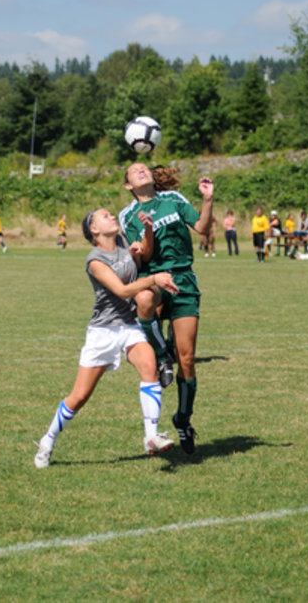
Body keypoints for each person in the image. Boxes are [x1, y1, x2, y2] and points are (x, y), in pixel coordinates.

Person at [34, 207, 179, 469]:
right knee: (79, 397)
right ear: (94, 230)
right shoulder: (95, 261)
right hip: (103, 332)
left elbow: (142, 259)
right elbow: (122, 291)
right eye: (105, 216)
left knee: (149, 367)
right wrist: (153, 279)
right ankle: (48, 440)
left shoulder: (123, 242)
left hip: (129, 325)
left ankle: (151, 436)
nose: (112, 216)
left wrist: (144, 238)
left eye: (111, 214)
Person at [119, 163, 214, 454]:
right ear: (128, 185)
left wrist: (208, 199)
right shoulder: (128, 215)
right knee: (144, 300)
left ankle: (183, 419)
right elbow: (144, 256)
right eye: (135, 170)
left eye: (144, 167)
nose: (142, 170)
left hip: (184, 278)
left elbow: (202, 228)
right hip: (155, 277)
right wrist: (146, 234)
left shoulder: (174, 199)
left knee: (187, 359)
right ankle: (162, 355)